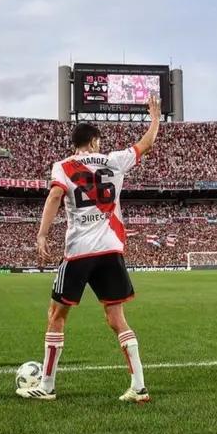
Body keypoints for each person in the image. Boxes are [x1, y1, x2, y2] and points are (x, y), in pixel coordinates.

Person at [17, 96, 160, 403]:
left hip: (80, 251)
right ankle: (139, 385)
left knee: (56, 314)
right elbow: (146, 144)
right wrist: (156, 118)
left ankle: (48, 385)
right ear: (94, 141)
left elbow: (55, 197)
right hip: (111, 249)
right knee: (116, 317)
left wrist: (42, 234)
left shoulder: (64, 166)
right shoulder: (114, 160)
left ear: (75, 143)